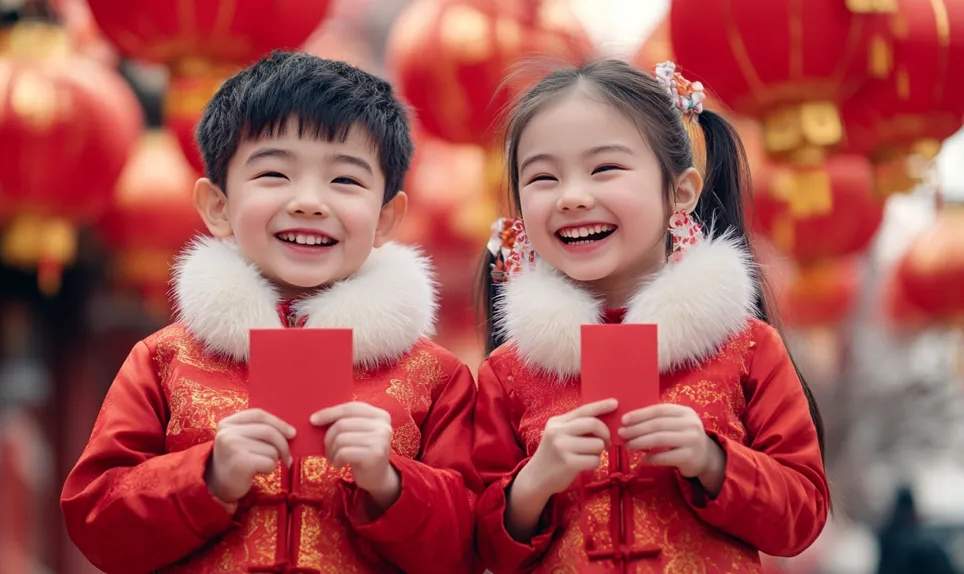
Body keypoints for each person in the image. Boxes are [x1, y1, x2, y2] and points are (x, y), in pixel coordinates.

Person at [61, 51, 480, 574]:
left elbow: (470, 544)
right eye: (274, 173)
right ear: (218, 206)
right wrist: (208, 476)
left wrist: (389, 481)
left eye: (345, 181)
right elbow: (95, 520)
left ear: (386, 217)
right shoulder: (163, 359)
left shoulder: (437, 377)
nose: (308, 202)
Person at [472, 59, 829, 573]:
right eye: (543, 177)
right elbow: (472, 545)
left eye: (605, 169)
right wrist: (533, 484)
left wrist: (711, 460)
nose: (572, 197)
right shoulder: (509, 371)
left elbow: (803, 515)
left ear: (680, 191)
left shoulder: (747, 345)